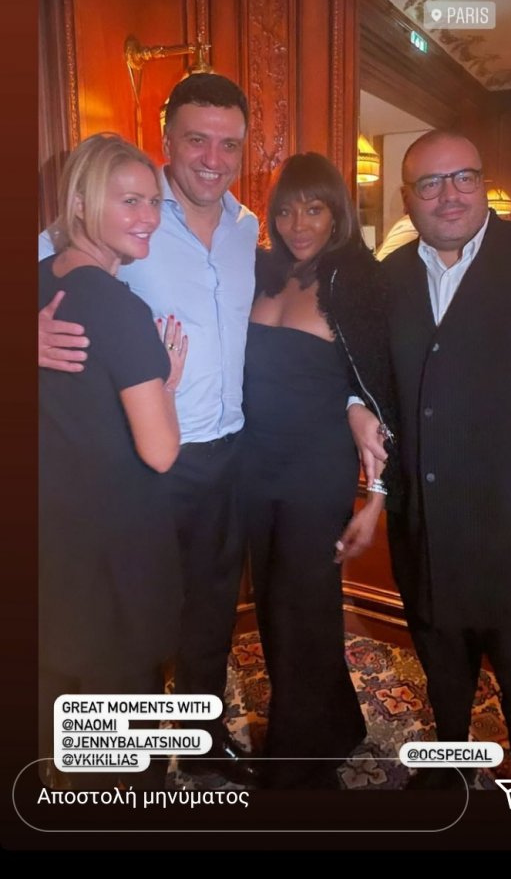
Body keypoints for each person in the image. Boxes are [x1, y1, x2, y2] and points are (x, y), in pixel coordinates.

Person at [39, 74, 260, 778]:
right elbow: (51, 271)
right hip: (142, 462)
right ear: (168, 139)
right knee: (127, 621)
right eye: (197, 139)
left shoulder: (248, 227)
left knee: (210, 613)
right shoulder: (125, 211)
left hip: (224, 450)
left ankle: (201, 736)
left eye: (229, 144)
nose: (213, 159)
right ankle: (114, 759)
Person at [351, 131, 511, 787]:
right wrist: (354, 406)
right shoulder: (385, 279)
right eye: (430, 183)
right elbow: (360, 371)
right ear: (406, 197)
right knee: (443, 677)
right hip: (425, 530)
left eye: (463, 177)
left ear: (482, 183)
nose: (448, 195)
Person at [241, 152, 396, 788]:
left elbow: (380, 386)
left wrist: (376, 497)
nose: (298, 224)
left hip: (314, 470)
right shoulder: (263, 270)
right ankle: (335, 725)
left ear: (337, 212)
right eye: (285, 210)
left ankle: (295, 766)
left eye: (313, 208)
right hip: (253, 465)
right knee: (276, 605)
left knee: (301, 607)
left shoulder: (357, 278)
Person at [39, 133, 187, 788]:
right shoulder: (119, 307)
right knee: (120, 737)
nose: (147, 216)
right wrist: (168, 384)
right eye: (128, 200)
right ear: (79, 202)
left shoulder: (37, 282)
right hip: (113, 552)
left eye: (152, 201)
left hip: (52, 541)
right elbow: (161, 451)